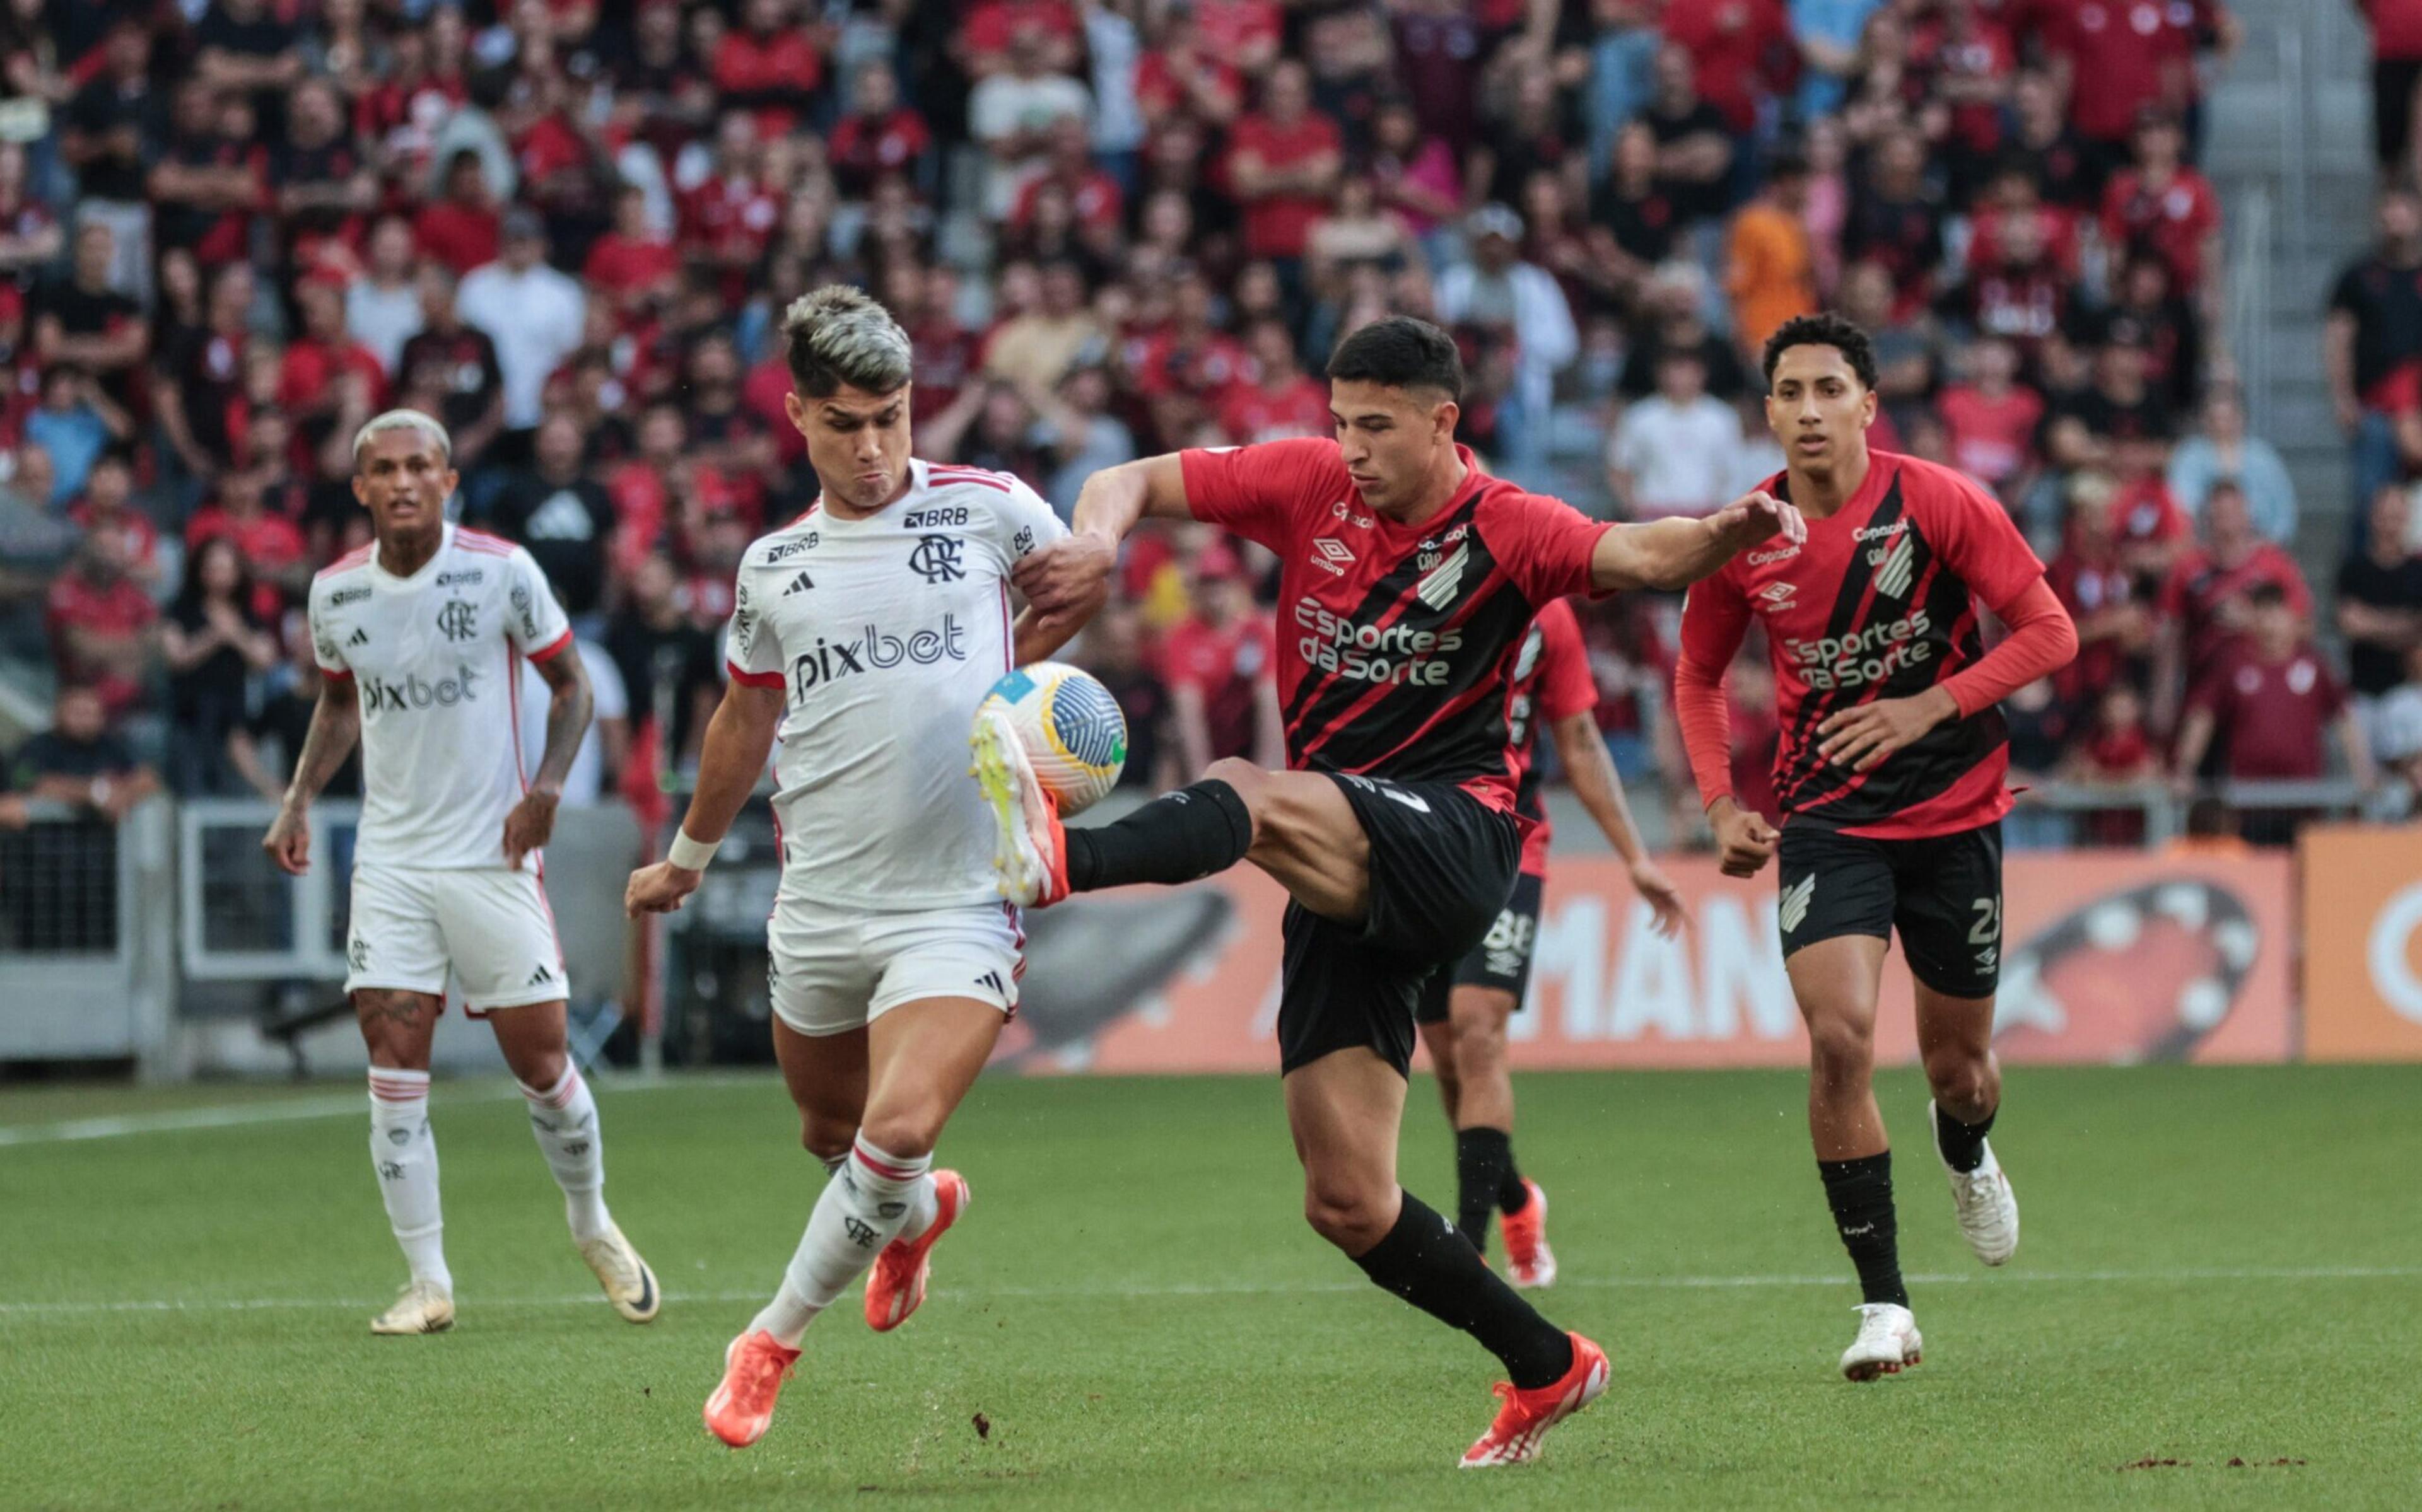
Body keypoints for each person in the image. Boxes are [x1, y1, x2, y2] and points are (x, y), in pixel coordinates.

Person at [995, 315, 1805, 1466]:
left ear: (1443, 420)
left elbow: (1636, 555)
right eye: (1341, 423)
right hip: (1350, 860)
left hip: (1455, 832)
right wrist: (1096, 540)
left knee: (1246, 788)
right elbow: (1129, 476)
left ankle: (1055, 861)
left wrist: (1725, 528)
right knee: (1348, 1199)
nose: (1353, 448)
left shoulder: (1509, 524)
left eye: (1376, 426)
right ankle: (1547, 1363)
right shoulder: (1307, 482)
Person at [620, 287, 1079, 1451]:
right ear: (797, 418)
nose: (873, 447)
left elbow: (1083, 581)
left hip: (959, 896)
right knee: (837, 1136)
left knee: (900, 1122)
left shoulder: (988, 510)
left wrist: (1026, 706)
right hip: (821, 899)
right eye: (844, 423)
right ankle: (920, 1217)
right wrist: (686, 856)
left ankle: (768, 1339)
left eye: (891, 416)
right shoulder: (774, 566)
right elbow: (741, 718)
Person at [1668, 313, 2078, 1382]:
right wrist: (1719, 804)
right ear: (1768, 410)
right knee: (1841, 1040)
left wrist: (1926, 707)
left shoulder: (1937, 499)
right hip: (1829, 820)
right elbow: (1698, 676)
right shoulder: (1744, 535)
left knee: (1962, 1071)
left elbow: (2050, 631)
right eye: (1789, 391)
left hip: (1955, 815)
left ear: (1866, 404)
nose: (1808, 409)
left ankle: (1966, 1146)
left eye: (1828, 390)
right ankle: (1886, 1304)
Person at [261, 409, 655, 1338]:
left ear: (448, 479)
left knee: (545, 1061)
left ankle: (593, 1223)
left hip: (493, 854)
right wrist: (296, 799)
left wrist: (550, 786)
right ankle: (428, 1280)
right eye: (383, 469)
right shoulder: (336, 594)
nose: (402, 481)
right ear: (360, 487)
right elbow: (338, 702)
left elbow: (575, 686)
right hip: (393, 861)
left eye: (420, 466)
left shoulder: (502, 572)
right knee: (394, 1069)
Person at [1415, 595, 1688, 1284]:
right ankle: (1514, 1197)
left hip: (1510, 842)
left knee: (1479, 1032)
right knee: (1448, 1058)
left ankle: (1467, 1250)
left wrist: (1634, 853)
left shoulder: (1547, 613)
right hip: (1415, 841)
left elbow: (1580, 737)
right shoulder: (1401, 591)